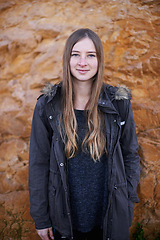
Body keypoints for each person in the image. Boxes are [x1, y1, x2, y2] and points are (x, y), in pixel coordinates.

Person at [29, 28, 140, 240]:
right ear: (67, 58)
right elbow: (38, 164)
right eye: (76, 54)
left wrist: (126, 199)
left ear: (99, 60)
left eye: (90, 55)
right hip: (63, 218)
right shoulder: (48, 106)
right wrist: (41, 218)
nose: (83, 62)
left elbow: (131, 155)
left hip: (109, 215)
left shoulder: (119, 103)